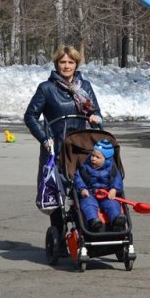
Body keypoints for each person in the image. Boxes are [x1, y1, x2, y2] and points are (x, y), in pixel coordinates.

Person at [24, 45, 103, 246]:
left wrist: (95, 117)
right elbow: (30, 116)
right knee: (58, 196)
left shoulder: (84, 86)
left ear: (76, 64)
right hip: (56, 149)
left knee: (83, 189)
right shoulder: (46, 88)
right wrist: (44, 138)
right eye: (63, 62)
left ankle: (85, 231)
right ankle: (59, 237)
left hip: (81, 149)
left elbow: (96, 113)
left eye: (70, 62)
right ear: (56, 64)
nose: (66, 66)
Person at [74, 139, 126, 232]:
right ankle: (93, 221)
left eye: (97, 157)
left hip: (106, 194)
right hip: (90, 193)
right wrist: (82, 189)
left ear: (106, 160)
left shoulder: (112, 168)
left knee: (113, 204)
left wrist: (114, 189)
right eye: (92, 155)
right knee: (88, 204)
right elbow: (78, 178)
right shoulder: (85, 167)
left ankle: (116, 221)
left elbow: (117, 180)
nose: (93, 158)